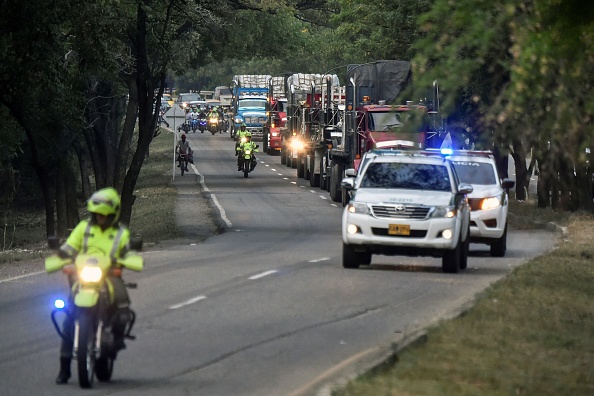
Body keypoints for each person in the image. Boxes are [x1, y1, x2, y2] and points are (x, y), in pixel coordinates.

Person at [54, 187, 135, 384]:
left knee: (122, 301)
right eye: (97, 213)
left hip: (108, 275)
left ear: (113, 214)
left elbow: (127, 250)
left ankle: (116, 339)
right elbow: (70, 246)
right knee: (68, 315)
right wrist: (63, 254)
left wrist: (123, 260)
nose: (100, 217)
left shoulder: (120, 232)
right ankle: (64, 366)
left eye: (104, 214)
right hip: (84, 278)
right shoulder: (84, 228)